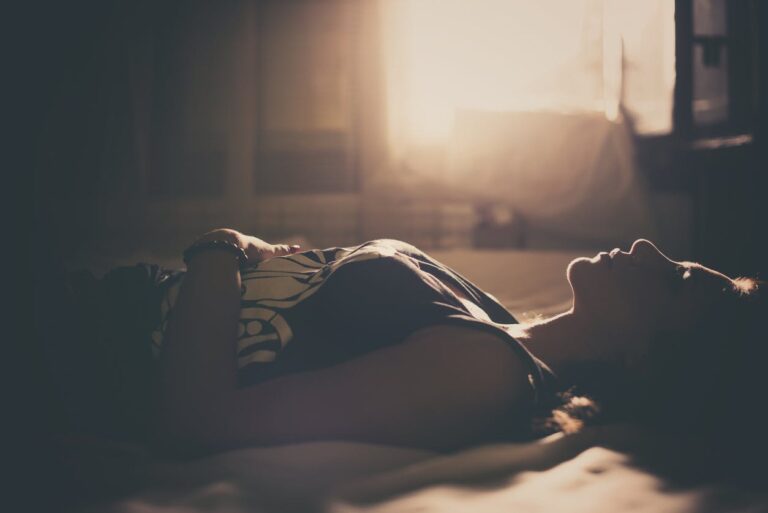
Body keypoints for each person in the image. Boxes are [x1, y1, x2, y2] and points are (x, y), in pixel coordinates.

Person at [41, 229, 765, 459]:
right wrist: (279, 259)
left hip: (75, 346)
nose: (647, 247)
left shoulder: (486, 374)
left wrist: (219, 251)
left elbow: (197, 419)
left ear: (650, 361)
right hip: (93, 302)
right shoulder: (493, 320)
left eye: (675, 279)